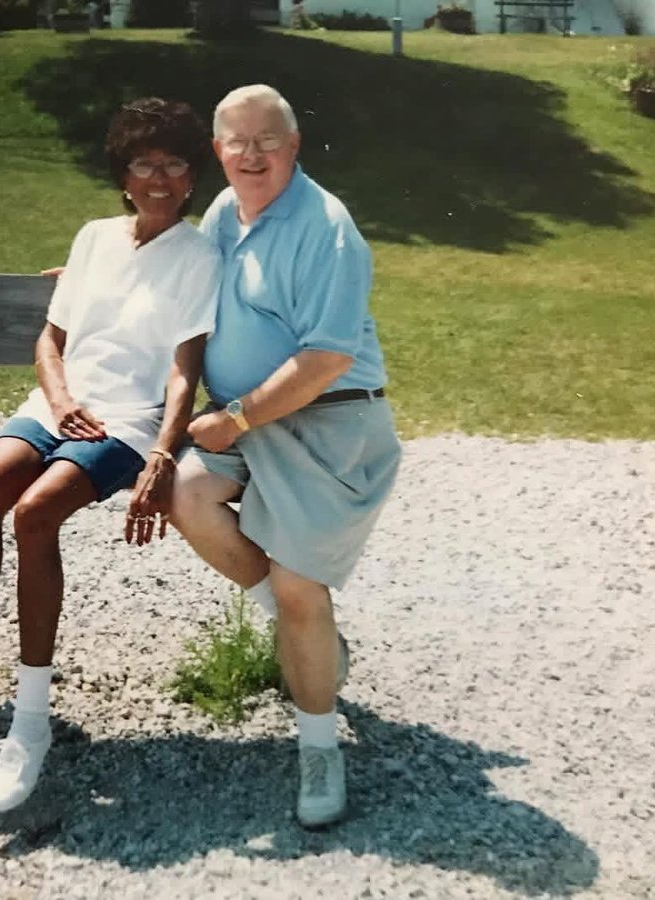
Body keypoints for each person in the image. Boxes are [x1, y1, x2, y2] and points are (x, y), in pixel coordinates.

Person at [0, 98, 220, 813]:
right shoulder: (95, 237)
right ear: (123, 174)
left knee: (35, 515)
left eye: (173, 163)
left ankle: (32, 723)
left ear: (192, 176)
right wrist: (60, 397)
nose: (159, 177)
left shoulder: (199, 256)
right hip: (57, 408)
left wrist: (164, 452)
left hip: (126, 426)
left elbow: (182, 370)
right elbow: (50, 339)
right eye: (144, 163)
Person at [170, 84, 401, 828]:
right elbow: (176, 286)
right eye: (236, 142)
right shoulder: (222, 215)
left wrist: (235, 416)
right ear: (218, 152)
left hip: (328, 423)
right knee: (188, 495)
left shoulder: (326, 227)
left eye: (267, 140)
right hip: (248, 428)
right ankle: (311, 638)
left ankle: (318, 748)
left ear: (294, 146)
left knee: (302, 588)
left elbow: (328, 359)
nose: (251, 155)